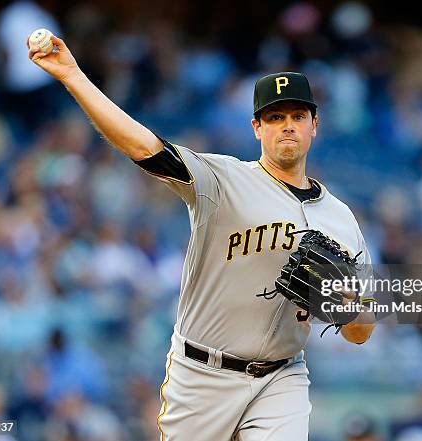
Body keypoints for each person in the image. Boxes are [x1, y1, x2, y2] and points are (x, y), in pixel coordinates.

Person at [28, 34, 375, 441]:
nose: (287, 126)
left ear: (314, 125)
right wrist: (73, 76)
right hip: (201, 374)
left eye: (297, 116)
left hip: (283, 376)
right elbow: (142, 145)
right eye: (275, 117)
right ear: (256, 128)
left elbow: (362, 330)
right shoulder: (221, 179)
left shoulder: (340, 218)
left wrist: (343, 303)